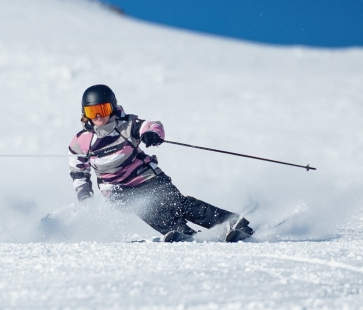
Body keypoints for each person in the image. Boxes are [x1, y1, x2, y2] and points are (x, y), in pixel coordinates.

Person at [69, 84, 254, 242]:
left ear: (113, 107)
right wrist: (86, 198)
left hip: (147, 178)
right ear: (84, 113)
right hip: (117, 191)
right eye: (92, 111)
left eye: (103, 110)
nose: (98, 116)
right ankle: (183, 233)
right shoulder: (81, 141)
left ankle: (231, 222)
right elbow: (79, 172)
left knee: (176, 203)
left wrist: (152, 134)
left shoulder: (126, 125)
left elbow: (151, 125)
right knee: (146, 209)